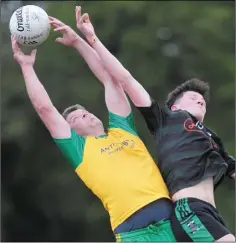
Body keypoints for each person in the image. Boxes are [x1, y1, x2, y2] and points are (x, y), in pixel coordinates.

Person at [10, 11, 177, 242]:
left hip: (171, 220)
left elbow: (110, 79)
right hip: (134, 233)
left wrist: (79, 41)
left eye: (85, 112)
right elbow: (45, 109)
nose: (85, 115)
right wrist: (27, 67)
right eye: (76, 118)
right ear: (72, 132)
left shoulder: (122, 128)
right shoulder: (79, 150)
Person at [76, 7, 236, 242]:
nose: (199, 99)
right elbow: (126, 79)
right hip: (188, 210)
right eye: (192, 97)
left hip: (210, 213)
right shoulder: (165, 119)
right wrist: (93, 40)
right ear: (174, 107)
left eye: (202, 100)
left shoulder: (212, 139)